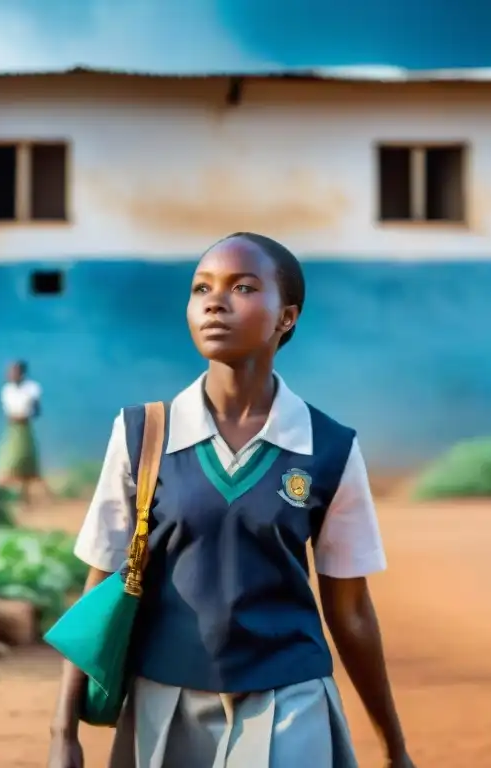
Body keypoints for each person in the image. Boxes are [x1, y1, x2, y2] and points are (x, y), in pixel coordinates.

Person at [47, 233, 415, 767]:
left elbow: (351, 611)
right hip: (165, 701)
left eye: (242, 287)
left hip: (291, 697)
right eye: (202, 289)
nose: (215, 302)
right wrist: (64, 732)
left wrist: (394, 745)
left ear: (286, 317)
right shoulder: (142, 435)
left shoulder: (329, 448)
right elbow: (99, 585)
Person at [0, 360, 45, 506]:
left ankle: (25, 498)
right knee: (8, 461)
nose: (11, 374)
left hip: (25, 428)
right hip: (12, 428)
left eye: (15, 371)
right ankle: (5, 498)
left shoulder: (31, 389)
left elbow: (37, 411)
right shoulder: (7, 390)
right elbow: (7, 410)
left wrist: (26, 415)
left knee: (26, 463)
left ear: (22, 373)